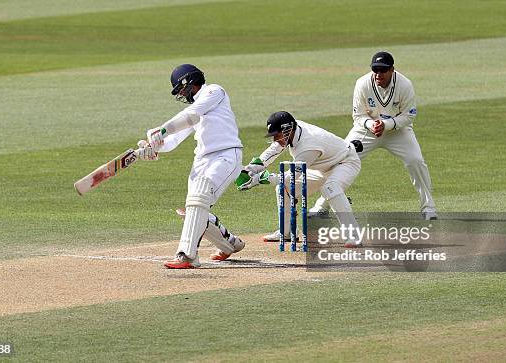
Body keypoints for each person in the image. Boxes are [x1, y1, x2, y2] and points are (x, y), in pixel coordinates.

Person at [137, 64, 245, 269]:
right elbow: (173, 139)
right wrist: (152, 148)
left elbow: (191, 115)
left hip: (226, 155)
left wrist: (161, 130)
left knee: (198, 200)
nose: (181, 94)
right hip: (202, 161)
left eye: (181, 88)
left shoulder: (214, 91)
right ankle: (230, 244)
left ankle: (187, 255)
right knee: (194, 210)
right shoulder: (192, 109)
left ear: (191, 82)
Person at [310, 51, 438, 220]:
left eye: (383, 70)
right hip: (366, 130)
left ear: (392, 70)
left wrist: (386, 124)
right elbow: (358, 116)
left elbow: (409, 115)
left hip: (398, 131)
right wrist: (372, 125)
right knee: (341, 159)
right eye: (375, 69)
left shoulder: (405, 85)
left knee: (416, 161)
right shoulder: (362, 83)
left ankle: (429, 208)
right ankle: (321, 206)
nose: (378, 74)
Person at [237, 111, 363, 248]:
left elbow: (290, 177)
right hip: (320, 167)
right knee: (283, 189)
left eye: (277, 135)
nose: (275, 140)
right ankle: (287, 232)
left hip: (345, 162)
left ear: (287, 130)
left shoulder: (308, 145)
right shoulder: (291, 129)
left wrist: (261, 178)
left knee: (330, 188)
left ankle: (354, 236)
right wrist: (252, 168)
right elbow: (274, 149)